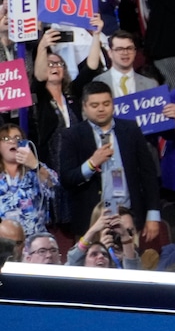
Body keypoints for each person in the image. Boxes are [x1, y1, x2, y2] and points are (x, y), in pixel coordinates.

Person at [54, 81, 161, 242]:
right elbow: (67, 179)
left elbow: (148, 174)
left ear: (113, 103)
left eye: (106, 103)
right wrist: (91, 164)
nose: (101, 109)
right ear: (84, 106)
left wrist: (153, 214)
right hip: (91, 221)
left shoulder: (130, 129)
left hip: (128, 216)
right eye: (95, 105)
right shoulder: (72, 135)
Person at [0, 125, 58, 238]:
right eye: (6, 139)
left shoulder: (34, 169)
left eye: (17, 138)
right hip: (6, 242)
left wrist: (35, 165)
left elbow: (55, 188)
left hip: (36, 239)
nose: (13, 142)